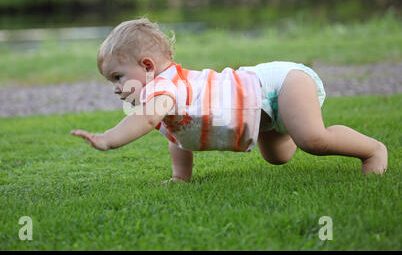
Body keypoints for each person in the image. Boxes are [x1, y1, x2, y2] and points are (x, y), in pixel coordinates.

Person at [71, 18, 388, 182]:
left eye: (118, 77)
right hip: (263, 110)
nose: (116, 88)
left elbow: (146, 118)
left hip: (279, 84)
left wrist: (109, 139)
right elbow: (177, 138)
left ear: (147, 67)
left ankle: (373, 151)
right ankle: (288, 120)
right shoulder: (169, 95)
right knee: (278, 157)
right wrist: (181, 178)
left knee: (313, 140)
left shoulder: (164, 90)